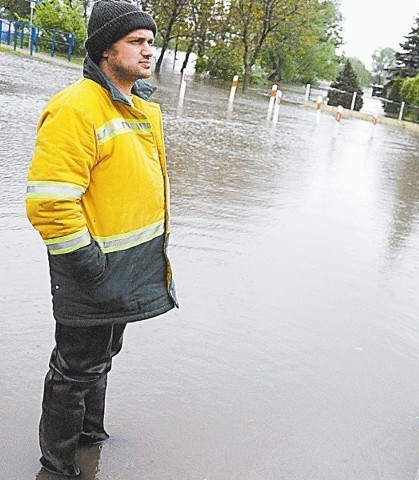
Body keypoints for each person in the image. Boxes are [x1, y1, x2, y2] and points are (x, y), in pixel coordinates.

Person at [25, 0, 178, 476]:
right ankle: (58, 463)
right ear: (105, 49)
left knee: (101, 356)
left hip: (125, 268)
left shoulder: (137, 105)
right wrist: (88, 264)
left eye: (150, 41)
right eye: (136, 41)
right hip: (91, 267)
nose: (148, 50)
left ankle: (91, 437)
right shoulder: (76, 108)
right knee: (75, 369)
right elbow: (50, 201)